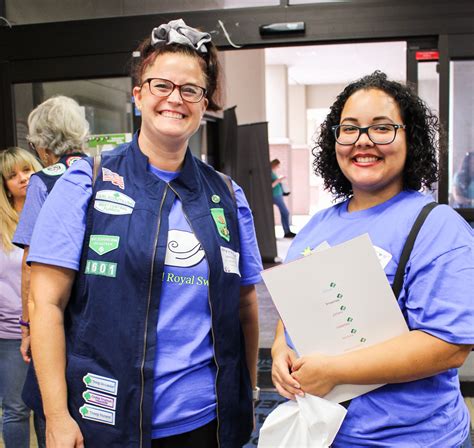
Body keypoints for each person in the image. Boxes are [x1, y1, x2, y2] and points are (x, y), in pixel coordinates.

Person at [23, 19, 262, 448]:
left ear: (204, 103)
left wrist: (249, 394)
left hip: (205, 422)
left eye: (190, 89)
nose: (176, 98)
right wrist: (57, 416)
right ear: (138, 96)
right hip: (103, 421)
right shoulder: (86, 182)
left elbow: (245, 304)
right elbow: (46, 305)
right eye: (161, 85)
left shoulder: (227, 195)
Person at [271, 71, 473, 447]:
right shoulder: (317, 226)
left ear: (409, 138)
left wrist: (334, 371)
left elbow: (449, 345)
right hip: (322, 434)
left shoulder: (437, 226)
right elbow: (290, 311)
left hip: (413, 439)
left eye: (382, 129)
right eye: (349, 129)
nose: (363, 142)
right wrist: (280, 350)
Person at [13, 95, 90, 364]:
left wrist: (27, 324)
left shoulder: (43, 181)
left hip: (59, 305)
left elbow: (29, 264)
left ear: (44, 145)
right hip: (98, 300)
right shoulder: (102, 172)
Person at [0, 147, 42, 447]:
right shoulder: (2, 225)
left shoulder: (51, 213)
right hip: (10, 333)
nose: (22, 179)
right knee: (16, 409)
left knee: (48, 407)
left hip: (49, 327)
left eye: (26, 170)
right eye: (12, 175)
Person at [270, 159, 295, 238]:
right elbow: (271, 185)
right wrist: (279, 180)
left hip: (278, 194)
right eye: (278, 165)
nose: (278, 167)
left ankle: (287, 231)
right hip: (275, 195)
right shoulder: (270, 173)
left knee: (284, 213)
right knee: (285, 212)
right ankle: (287, 231)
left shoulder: (273, 172)